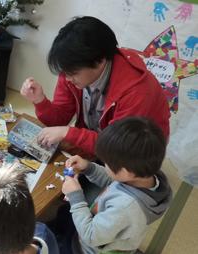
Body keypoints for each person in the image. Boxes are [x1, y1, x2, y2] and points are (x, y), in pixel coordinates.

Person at [54, 117, 172, 254]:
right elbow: (113, 181)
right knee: (62, 214)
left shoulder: (126, 207)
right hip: (98, 226)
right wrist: (89, 168)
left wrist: (76, 197)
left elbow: (91, 237)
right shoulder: (145, 177)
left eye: (107, 163)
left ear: (126, 172)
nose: (105, 164)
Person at [20, 16, 170, 157]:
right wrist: (40, 101)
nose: (67, 78)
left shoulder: (136, 90)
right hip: (98, 142)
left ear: (100, 60)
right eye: (64, 72)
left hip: (133, 154)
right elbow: (59, 121)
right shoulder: (72, 69)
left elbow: (117, 149)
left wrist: (69, 133)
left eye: (72, 73)